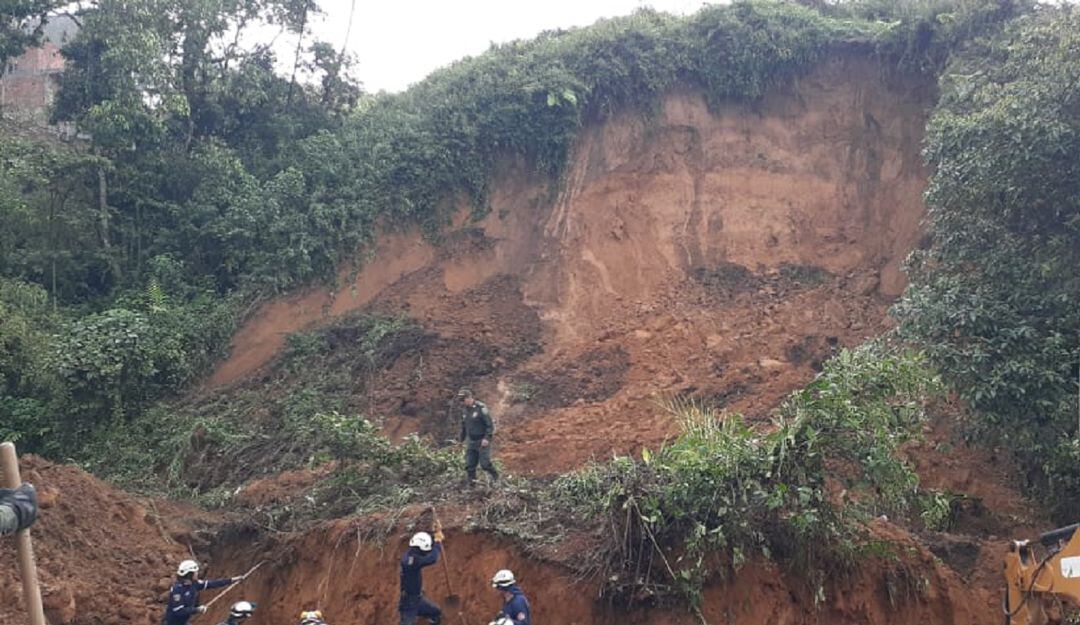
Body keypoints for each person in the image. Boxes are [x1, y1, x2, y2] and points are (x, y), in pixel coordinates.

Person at [164, 559, 243, 625]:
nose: (197, 573)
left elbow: (212, 584)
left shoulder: (195, 584)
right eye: (195, 572)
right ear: (189, 574)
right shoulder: (177, 590)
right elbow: (179, 611)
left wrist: (232, 580)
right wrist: (197, 609)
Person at [398, 522, 444, 625]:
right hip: (408, 603)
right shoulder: (411, 561)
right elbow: (432, 559)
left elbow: (427, 552)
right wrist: (437, 543)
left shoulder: (412, 553)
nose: (425, 552)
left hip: (418, 600)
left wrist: (435, 533)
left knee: (436, 613)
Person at [457, 388, 498, 485]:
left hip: (482, 441)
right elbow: (464, 427)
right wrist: (461, 441)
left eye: (463, 400)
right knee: (469, 465)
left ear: (469, 398)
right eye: (461, 400)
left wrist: (487, 438)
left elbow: (490, 425)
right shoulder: (465, 411)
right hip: (471, 441)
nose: (462, 402)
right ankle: (472, 485)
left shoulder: (481, 408)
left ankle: (496, 477)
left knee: (485, 464)